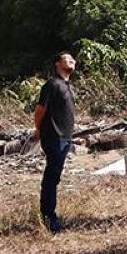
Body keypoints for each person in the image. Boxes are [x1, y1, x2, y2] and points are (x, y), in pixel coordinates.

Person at [33, 51, 77, 233]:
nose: (72, 61)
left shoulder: (66, 85)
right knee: (51, 177)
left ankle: (50, 213)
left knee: (55, 176)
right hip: (54, 137)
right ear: (57, 64)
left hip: (65, 137)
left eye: (73, 59)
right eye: (67, 59)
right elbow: (39, 109)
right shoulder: (52, 84)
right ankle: (48, 217)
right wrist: (39, 129)